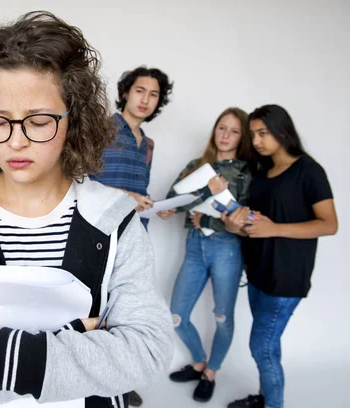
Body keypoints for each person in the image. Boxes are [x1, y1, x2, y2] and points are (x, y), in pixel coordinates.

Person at [0, 11, 173, 408]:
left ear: (73, 119)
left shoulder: (115, 221)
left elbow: (147, 348)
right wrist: (79, 349)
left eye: (39, 120)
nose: (16, 141)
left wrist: (6, 361)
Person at [223, 105, 338, 408]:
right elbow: (258, 225)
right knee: (268, 347)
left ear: (283, 131)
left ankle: (274, 404)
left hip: (286, 278)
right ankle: (265, 398)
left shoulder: (309, 171)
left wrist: (275, 228)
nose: (257, 140)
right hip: (259, 273)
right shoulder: (262, 174)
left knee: (261, 347)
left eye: (263, 133)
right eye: (253, 134)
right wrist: (237, 225)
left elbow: (329, 224)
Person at [161, 108, 253, 402]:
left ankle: (211, 372)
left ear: (242, 137)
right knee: (176, 315)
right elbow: (176, 198)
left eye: (234, 131)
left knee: (222, 317)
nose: (225, 135)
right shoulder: (197, 165)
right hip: (194, 246)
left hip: (226, 249)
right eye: (221, 128)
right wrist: (169, 208)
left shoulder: (246, 171)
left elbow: (245, 218)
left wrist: (209, 215)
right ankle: (199, 361)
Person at [90, 66, 174, 230]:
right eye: (139, 91)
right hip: (100, 228)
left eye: (153, 94)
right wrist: (128, 198)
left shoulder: (149, 144)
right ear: (125, 93)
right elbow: (81, 182)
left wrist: (153, 206)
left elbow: (138, 191)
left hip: (136, 231)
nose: (145, 100)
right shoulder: (100, 129)